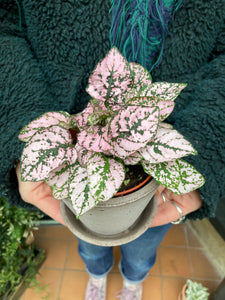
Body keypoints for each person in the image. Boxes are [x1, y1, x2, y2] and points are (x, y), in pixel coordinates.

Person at [1, 0, 224, 299]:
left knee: (143, 250)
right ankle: (97, 275)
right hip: (71, 171)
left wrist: (207, 148)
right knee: (90, 245)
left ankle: (134, 282)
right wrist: (25, 139)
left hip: (157, 186)